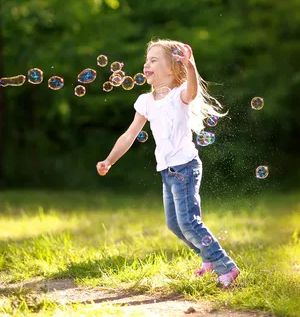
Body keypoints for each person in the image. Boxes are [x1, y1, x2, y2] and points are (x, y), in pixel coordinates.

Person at [96, 39, 240, 288]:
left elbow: (192, 91)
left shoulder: (179, 95)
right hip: (167, 170)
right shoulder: (145, 101)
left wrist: (191, 66)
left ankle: (227, 267)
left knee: (189, 222)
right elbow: (130, 134)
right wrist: (109, 159)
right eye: (146, 60)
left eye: (153, 60)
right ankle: (207, 258)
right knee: (174, 224)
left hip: (185, 167)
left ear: (173, 68)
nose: (146, 64)